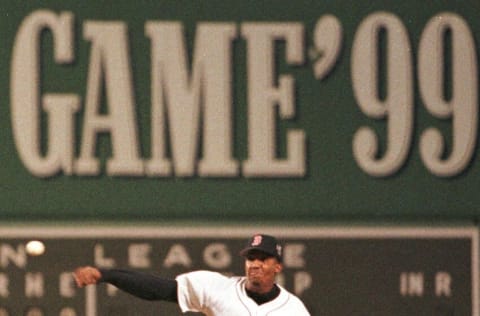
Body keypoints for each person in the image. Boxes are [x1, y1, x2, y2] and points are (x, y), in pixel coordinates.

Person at [73, 233, 311, 315]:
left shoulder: (294, 310)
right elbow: (157, 289)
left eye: (263, 258)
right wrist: (106, 275)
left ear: (277, 266)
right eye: (250, 258)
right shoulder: (219, 288)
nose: (255, 264)